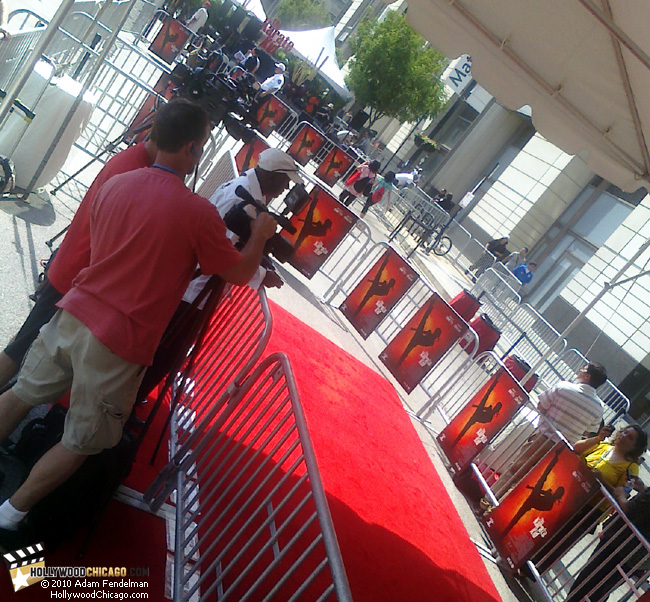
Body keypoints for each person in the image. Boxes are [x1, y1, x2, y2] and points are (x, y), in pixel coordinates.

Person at [0, 100, 277, 544]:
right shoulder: (196, 213)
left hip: (73, 311)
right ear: (191, 147)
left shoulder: (120, 182)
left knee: (21, 393)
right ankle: (11, 516)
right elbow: (240, 272)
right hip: (119, 341)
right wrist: (260, 237)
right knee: (82, 440)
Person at [135, 148, 302, 400]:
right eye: (285, 181)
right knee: (163, 355)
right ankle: (124, 408)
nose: (285, 188)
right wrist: (260, 275)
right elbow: (219, 256)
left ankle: (129, 404)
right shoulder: (241, 199)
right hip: (194, 292)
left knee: (163, 353)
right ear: (271, 176)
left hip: (194, 288)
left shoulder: (247, 190)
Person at [0, 137, 158, 393]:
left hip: (71, 265)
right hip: (74, 271)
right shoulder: (134, 170)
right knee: (20, 349)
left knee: (25, 345)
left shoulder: (133, 160)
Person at [534, 424, 647, 572]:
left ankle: (535, 568)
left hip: (590, 509)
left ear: (635, 447)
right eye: (624, 432)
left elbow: (621, 495)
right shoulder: (604, 446)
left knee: (561, 540)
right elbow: (577, 448)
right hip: (571, 494)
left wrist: (601, 481)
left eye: (630, 437)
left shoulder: (631, 468)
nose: (624, 436)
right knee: (544, 526)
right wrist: (598, 437)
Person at [495, 363, 608, 495]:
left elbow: (541, 406)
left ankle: (488, 501)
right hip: (562, 451)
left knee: (516, 470)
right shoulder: (599, 407)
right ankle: (502, 510)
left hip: (542, 438)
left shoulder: (563, 387)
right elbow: (588, 431)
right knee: (533, 483)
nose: (579, 370)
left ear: (587, 376)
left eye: (583, 369)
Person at [566, 484, 650, 602]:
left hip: (620, 545)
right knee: (601, 588)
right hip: (636, 557)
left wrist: (621, 495)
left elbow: (629, 509)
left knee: (588, 583)